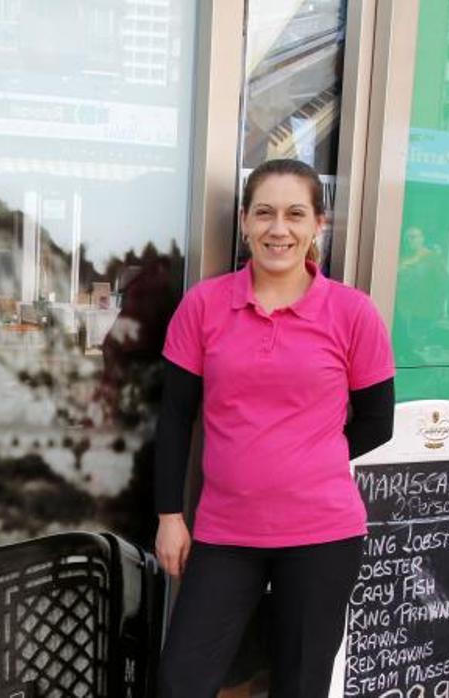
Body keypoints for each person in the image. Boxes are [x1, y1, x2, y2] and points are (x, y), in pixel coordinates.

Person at [154, 158, 396, 698]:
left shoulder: (353, 314)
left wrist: (310, 456)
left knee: (300, 684)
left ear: (318, 226)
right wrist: (170, 516)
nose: (278, 229)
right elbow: (175, 417)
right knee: (181, 681)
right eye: (264, 213)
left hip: (322, 534)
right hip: (224, 531)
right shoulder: (205, 306)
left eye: (294, 214)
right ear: (244, 221)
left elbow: (379, 422)